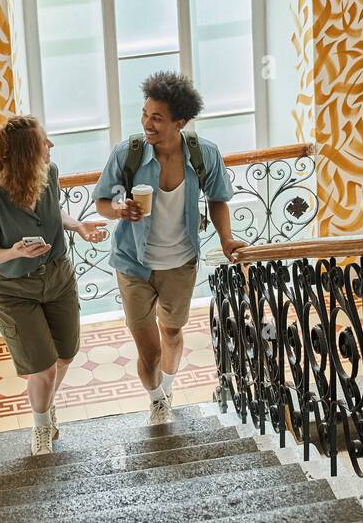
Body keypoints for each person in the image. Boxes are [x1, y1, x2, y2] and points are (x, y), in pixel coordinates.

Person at [93, 72, 247, 426]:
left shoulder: (203, 154)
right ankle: (157, 401)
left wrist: (226, 238)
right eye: (145, 114)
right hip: (133, 263)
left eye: (157, 118)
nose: (147, 123)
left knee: (173, 334)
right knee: (147, 349)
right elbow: (102, 200)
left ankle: (168, 386)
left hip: (180, 263)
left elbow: (219, 199)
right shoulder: (128, 153)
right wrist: (118, 208)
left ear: (180, 122)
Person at [0, 115, 108, 455]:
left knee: (64, 356)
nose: (51, 146)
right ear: (25, 154)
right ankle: (40, 428)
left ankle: (44, 408)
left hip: (58, 278)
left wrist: (77, 226)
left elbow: (55, 212)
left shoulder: (50, 174)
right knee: (43, 369)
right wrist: (14, 251)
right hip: (15, 291)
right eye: (43, 142)